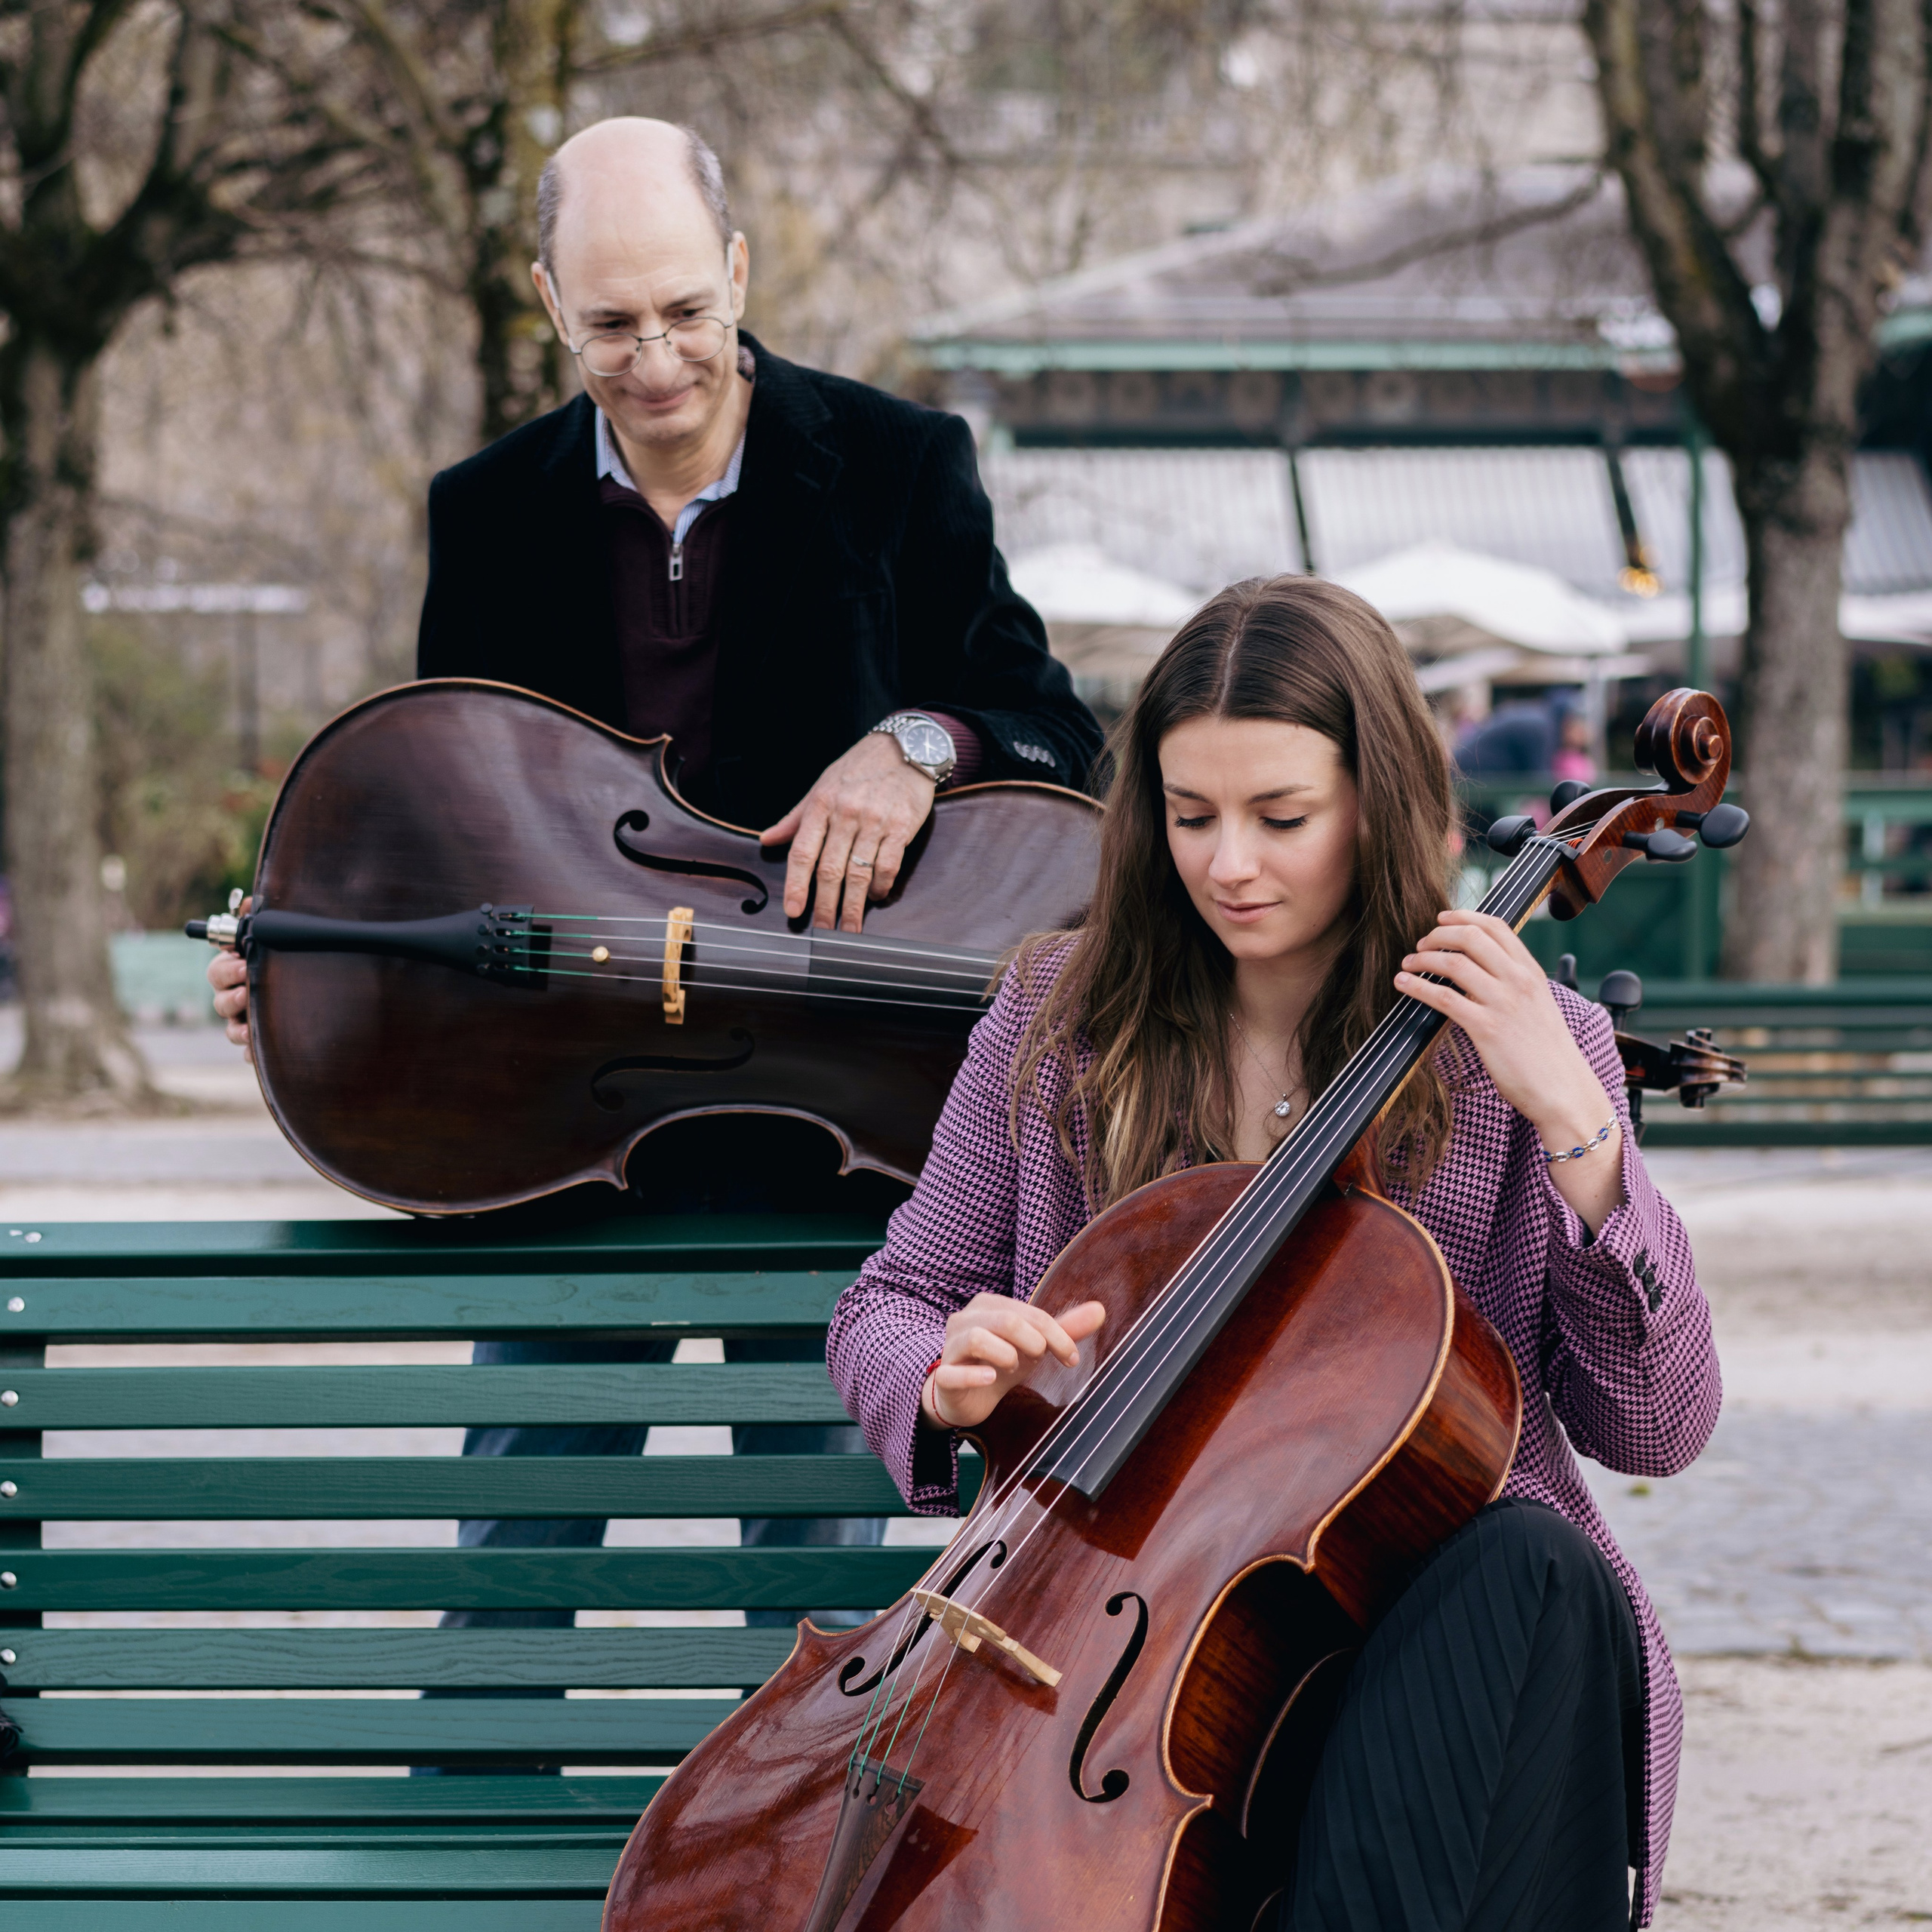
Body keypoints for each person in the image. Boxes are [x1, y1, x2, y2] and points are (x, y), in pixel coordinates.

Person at [207, 116, 1103, 1675]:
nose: (658, 356)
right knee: (516, 1549)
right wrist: (313, 963)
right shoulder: (488, 509)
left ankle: (782, 1859)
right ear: (549, 299)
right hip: (577, 1120)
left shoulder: (896, 464)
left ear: (737, 272)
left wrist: (917, 738)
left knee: (807, 1578)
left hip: (837, 1121)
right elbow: (447, 815)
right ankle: (464, 1810)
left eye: (687, 310)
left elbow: (1051, 735)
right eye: (613, 322)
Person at [827, 575, 1719, 1929]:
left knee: (1539, 1568)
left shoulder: (1520, 1057)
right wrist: (945, 1378)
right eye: (1192, 818)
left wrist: (1576, 1121)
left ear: (1381, 805)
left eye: (1281, 818)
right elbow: (887, 1305)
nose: (1228, 863)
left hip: (1438, 1663)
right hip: (1128, 1671)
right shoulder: (1053, 1024)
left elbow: (1660, 1426)